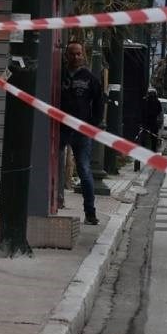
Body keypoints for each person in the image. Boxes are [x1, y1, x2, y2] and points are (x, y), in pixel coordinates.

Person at [60, 41, 103, 225]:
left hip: (81, 131)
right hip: (60, 129)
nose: (75, 57)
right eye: (72, 54)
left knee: (84, 170)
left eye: (79, 54)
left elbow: (100, 103)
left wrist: (92, 124)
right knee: (50, 165)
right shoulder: (58, 74)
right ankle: (53, 201)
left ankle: (90, 213)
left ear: (83, 55)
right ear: (66, 55)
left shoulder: (90, 78)